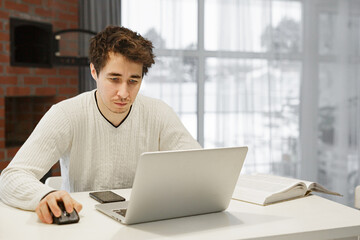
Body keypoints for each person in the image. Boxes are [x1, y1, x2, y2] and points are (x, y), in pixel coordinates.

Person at [0, 26, 201, 224]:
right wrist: (44, 195)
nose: (124, 93)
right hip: (83, 223)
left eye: (133, 81)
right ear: (94, 71)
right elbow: (12, 177)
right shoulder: (65, 114)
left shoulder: (158, 113)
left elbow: (199, 167)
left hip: (143, 222)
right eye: (114, 79)